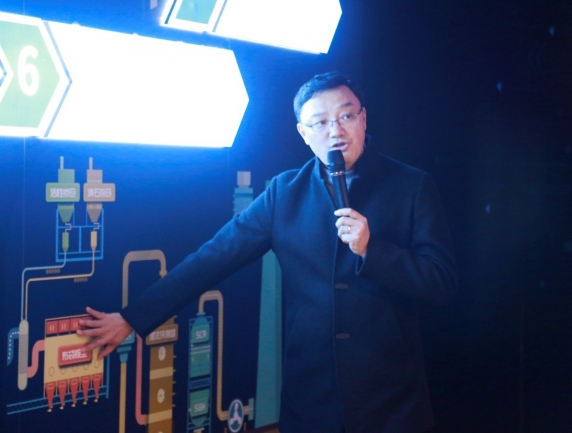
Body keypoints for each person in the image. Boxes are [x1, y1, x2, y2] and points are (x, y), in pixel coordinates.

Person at [78, 71, 458, 433]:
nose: (335, 131)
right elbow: (214, 257)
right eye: (320, 122)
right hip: (311, 400)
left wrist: (371, 249)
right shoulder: (284, 194)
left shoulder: (412, 187)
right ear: (303, 133)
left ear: (363, 119)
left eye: (346, 116)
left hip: (391, 401)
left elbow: (441, 282)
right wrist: (133, 317)